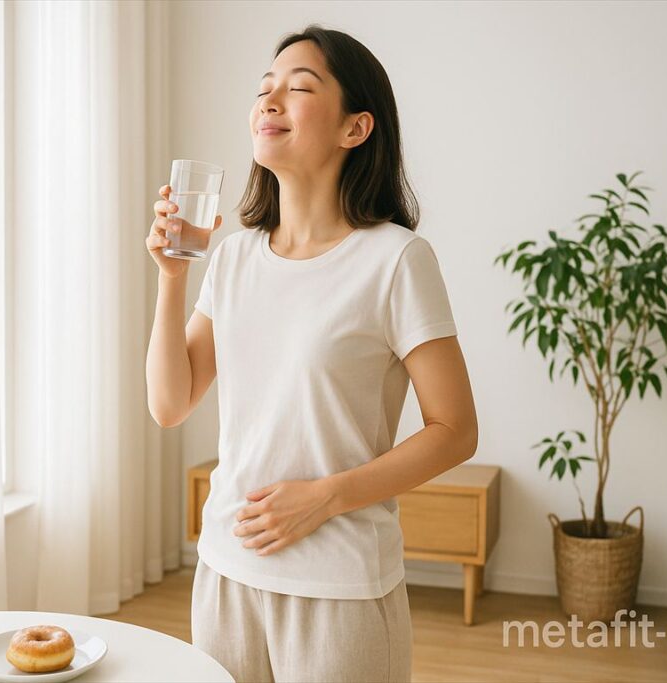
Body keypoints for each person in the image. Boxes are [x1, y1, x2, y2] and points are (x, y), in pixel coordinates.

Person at [145, 23, 479, 683]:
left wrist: (325, 496)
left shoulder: (396, 260)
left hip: (341, 588)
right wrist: (171, 274)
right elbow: (170, 402)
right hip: (225, 572)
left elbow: (456, 430)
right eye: (264, 88)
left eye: (299, 88)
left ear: (356, 128)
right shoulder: (234, 258)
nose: (269, 100)